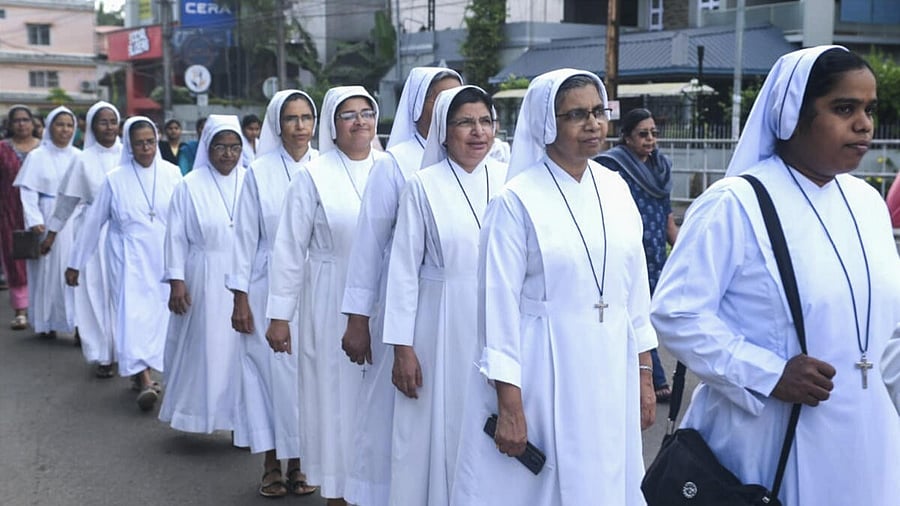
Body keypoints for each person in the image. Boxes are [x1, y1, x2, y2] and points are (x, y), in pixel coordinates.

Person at [650, 46, 900, 505]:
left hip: (871, 438)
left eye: (869, 110)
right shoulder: (736, 204)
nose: (863, 124)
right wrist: (768, 373)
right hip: (771, 440)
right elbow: (676, 314)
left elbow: (889, 328)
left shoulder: (867, 204)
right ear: (792, 117)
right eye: (844, 109)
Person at [450, 69, 656, 506]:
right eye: (576, 115)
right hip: (544, 369)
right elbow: (497, 308)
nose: (593, 124)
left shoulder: (617, 188)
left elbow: (634, 289)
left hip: (610, 363)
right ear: (547, 123)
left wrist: (644, 374)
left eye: (598, 112)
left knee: (609, 476)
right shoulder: (515, 201)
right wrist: (509, 404)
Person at [340, 66, 461, 506]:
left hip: (458, 313)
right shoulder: (396, 163)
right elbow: (369, 246)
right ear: (417, 106)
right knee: (398, 410)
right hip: (402, 307)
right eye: (438, 99)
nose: (449, 106)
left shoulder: (476, 155)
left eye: (457, 96)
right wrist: (357, 320)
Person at [385, 85, 507, 505]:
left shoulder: (510, 182)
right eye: (465, 123)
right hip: (438, 325)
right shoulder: (423, 185)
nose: (478, 132)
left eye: (485, 121)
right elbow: (402, 271)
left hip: (499, 321)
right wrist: (402, 347)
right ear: (444, 130)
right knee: (440, 429)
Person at [266, 85, 387, 506]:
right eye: (348, 114)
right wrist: (279, 316)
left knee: (377, 402)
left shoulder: (389, 169)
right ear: (333, 128)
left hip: (382, 300)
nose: (359, 121)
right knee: (335, 400)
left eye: (366, 112)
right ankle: (338, 492)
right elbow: (288, 249)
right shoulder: (313, 176)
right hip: (328, 298)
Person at [228, 90, 319, 498]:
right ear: (276, 125)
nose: (300, 126)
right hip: (266, 289)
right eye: (291, 118)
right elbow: (244, 238)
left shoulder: (325, 166)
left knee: (306, 379)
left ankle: (301, 462)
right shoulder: (258, 172)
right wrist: (240, 297)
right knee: (267, 377)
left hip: (315, 288)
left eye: (306, 117)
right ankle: (269, 461)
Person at [67, 116, 182, 411]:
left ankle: (141, 371)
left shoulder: (172, 173)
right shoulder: (115, 179)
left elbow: (185, 219)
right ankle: (145, 380)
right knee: (132, 316)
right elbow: (93, 223)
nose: (146, 148)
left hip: (163, 256)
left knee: (159, 317)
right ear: (129, 146)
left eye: (150, 142)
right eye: (139, 143)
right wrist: (75, 263)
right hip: (126, 256)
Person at [159, 115, 245, 434]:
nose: (228, 154)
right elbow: (176, 236)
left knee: (240, 351)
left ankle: (240, 418)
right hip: (203, 272)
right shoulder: (189, 185)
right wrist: (176, 281)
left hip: (243, 275)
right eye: (220, 147)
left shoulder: (250, 180)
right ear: (207, 146)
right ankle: (197, 414)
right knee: (205, 349)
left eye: (235, 147)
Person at [597, 108, 678, 402]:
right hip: (627, 257)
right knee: (635, 317)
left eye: (654, 133)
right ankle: (655, 378)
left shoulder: (661, 169)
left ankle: (635, 371)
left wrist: (682, 254)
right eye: (643, 134)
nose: (650, 139)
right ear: (627, 138)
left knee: (653, 317)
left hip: (656, 257)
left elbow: (668, 218)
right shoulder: (610, 167)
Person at [44, 101, 122, 378]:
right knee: (96, 296)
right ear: (91, 126)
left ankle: (128, 353)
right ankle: (103, 354)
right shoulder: (82, 160)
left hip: (124, 236)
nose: (109, 127)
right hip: (92, 235)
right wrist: (51, 234)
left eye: (112, 121)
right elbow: (66, 203)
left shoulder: (129, 154)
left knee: (124, 296)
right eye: (102, 121)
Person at [13, 106, 79, 338]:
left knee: (72, 271)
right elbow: (28, 192)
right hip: (45, 215)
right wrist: (34, 220)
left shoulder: (79, 157)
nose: (65, 129)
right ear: (50, 127)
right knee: (46, 273)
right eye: (60, 124)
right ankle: (46, 321)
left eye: (69, 125)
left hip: (74, 221)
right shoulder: (37, 156)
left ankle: (75, 322)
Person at [0, 105, 40, 330]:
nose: (22, 124)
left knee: (43, 261)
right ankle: (21, 311)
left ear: (33, 123)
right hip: (10, 212)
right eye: (17, 121)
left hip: (41, 213)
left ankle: (42, 312)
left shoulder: (45, 149)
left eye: (26, 119)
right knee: (15, 260)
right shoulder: (2, 149)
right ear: (10, 124)